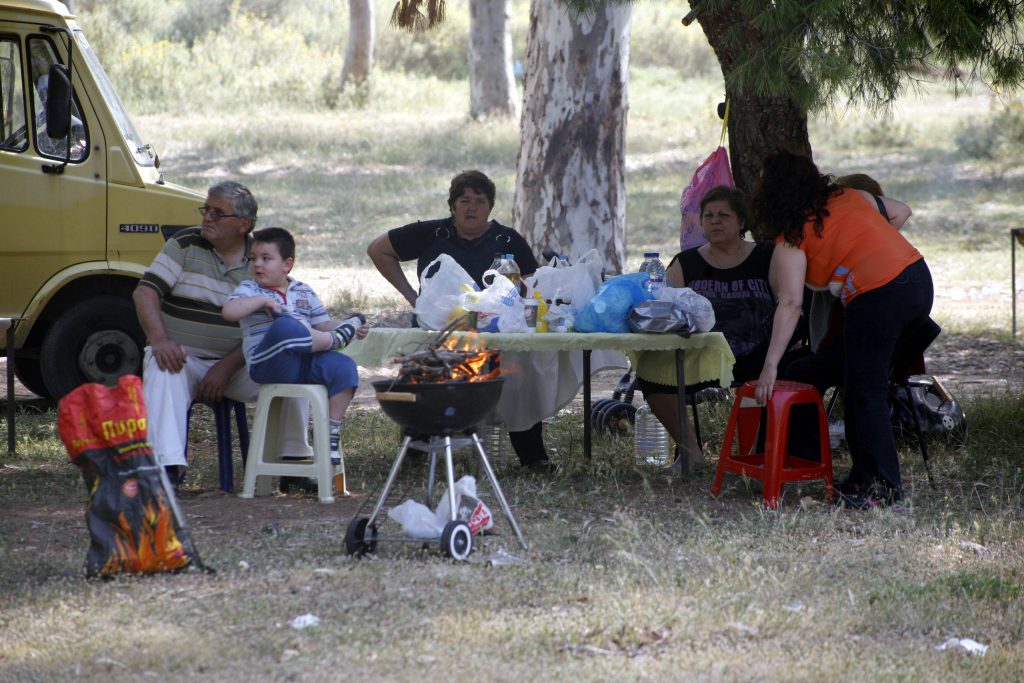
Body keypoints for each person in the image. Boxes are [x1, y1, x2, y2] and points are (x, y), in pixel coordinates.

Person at [750, 150, 934, 508]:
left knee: (865, 391)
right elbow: (900, 210)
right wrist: (869, 248)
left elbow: (789, 303)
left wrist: (771, 364)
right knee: (864, 381)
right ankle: (870, 479)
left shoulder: (792, 235)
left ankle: (877, 487)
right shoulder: (853, 197)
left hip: (876, 295)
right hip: (916, 279)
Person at [366, 170, 552, 471]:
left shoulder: (508, 240)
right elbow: (378, 249)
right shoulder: (432, 234)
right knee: (428, 369)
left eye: (480, 201)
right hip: (438, 332)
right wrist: (413, 297)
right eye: (464, 200)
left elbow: (532, 287)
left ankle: (533, 456)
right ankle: (416, 451)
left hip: (497, 335)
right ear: (452, 206)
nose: (472, 207)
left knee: (521, 376)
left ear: (490, 206)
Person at [133, 181, 311, 483]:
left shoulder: (260, 260)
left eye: (218, 213)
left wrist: (225, 367)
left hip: (240, 365)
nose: (207, 218)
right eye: (206, 209)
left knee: (291, 365)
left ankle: (291, 462)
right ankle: (164, 471)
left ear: (244, 224)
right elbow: (145, 292)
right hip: (183, 358)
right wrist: (160, 340)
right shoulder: (185, 244)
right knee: (161, 365)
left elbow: (274, 330)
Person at [636, 186, 804, 468]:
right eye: (709, 215)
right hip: (700, 354)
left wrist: (772, 360)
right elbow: (662, 308)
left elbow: (785, 306)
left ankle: (764, 455)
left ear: (741, 222)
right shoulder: (686, 263)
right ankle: (691, 455)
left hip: (757, 355)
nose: (715, 221)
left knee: (793, 366)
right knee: (651, 369)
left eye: (724, 215)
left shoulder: (767, 256)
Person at [223, 228, 369, 465]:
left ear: (287, 264)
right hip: (268, 365)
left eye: (266, 258)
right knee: (285, 326)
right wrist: (262, 301)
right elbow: (229, 312)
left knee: (344, 366)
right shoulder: (250, 290)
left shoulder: (303, 291)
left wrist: (344, 326)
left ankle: (330, 434)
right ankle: (336, 340)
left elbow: (321, 324)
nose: (257, 264)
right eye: (253, 258)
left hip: (303, 364)